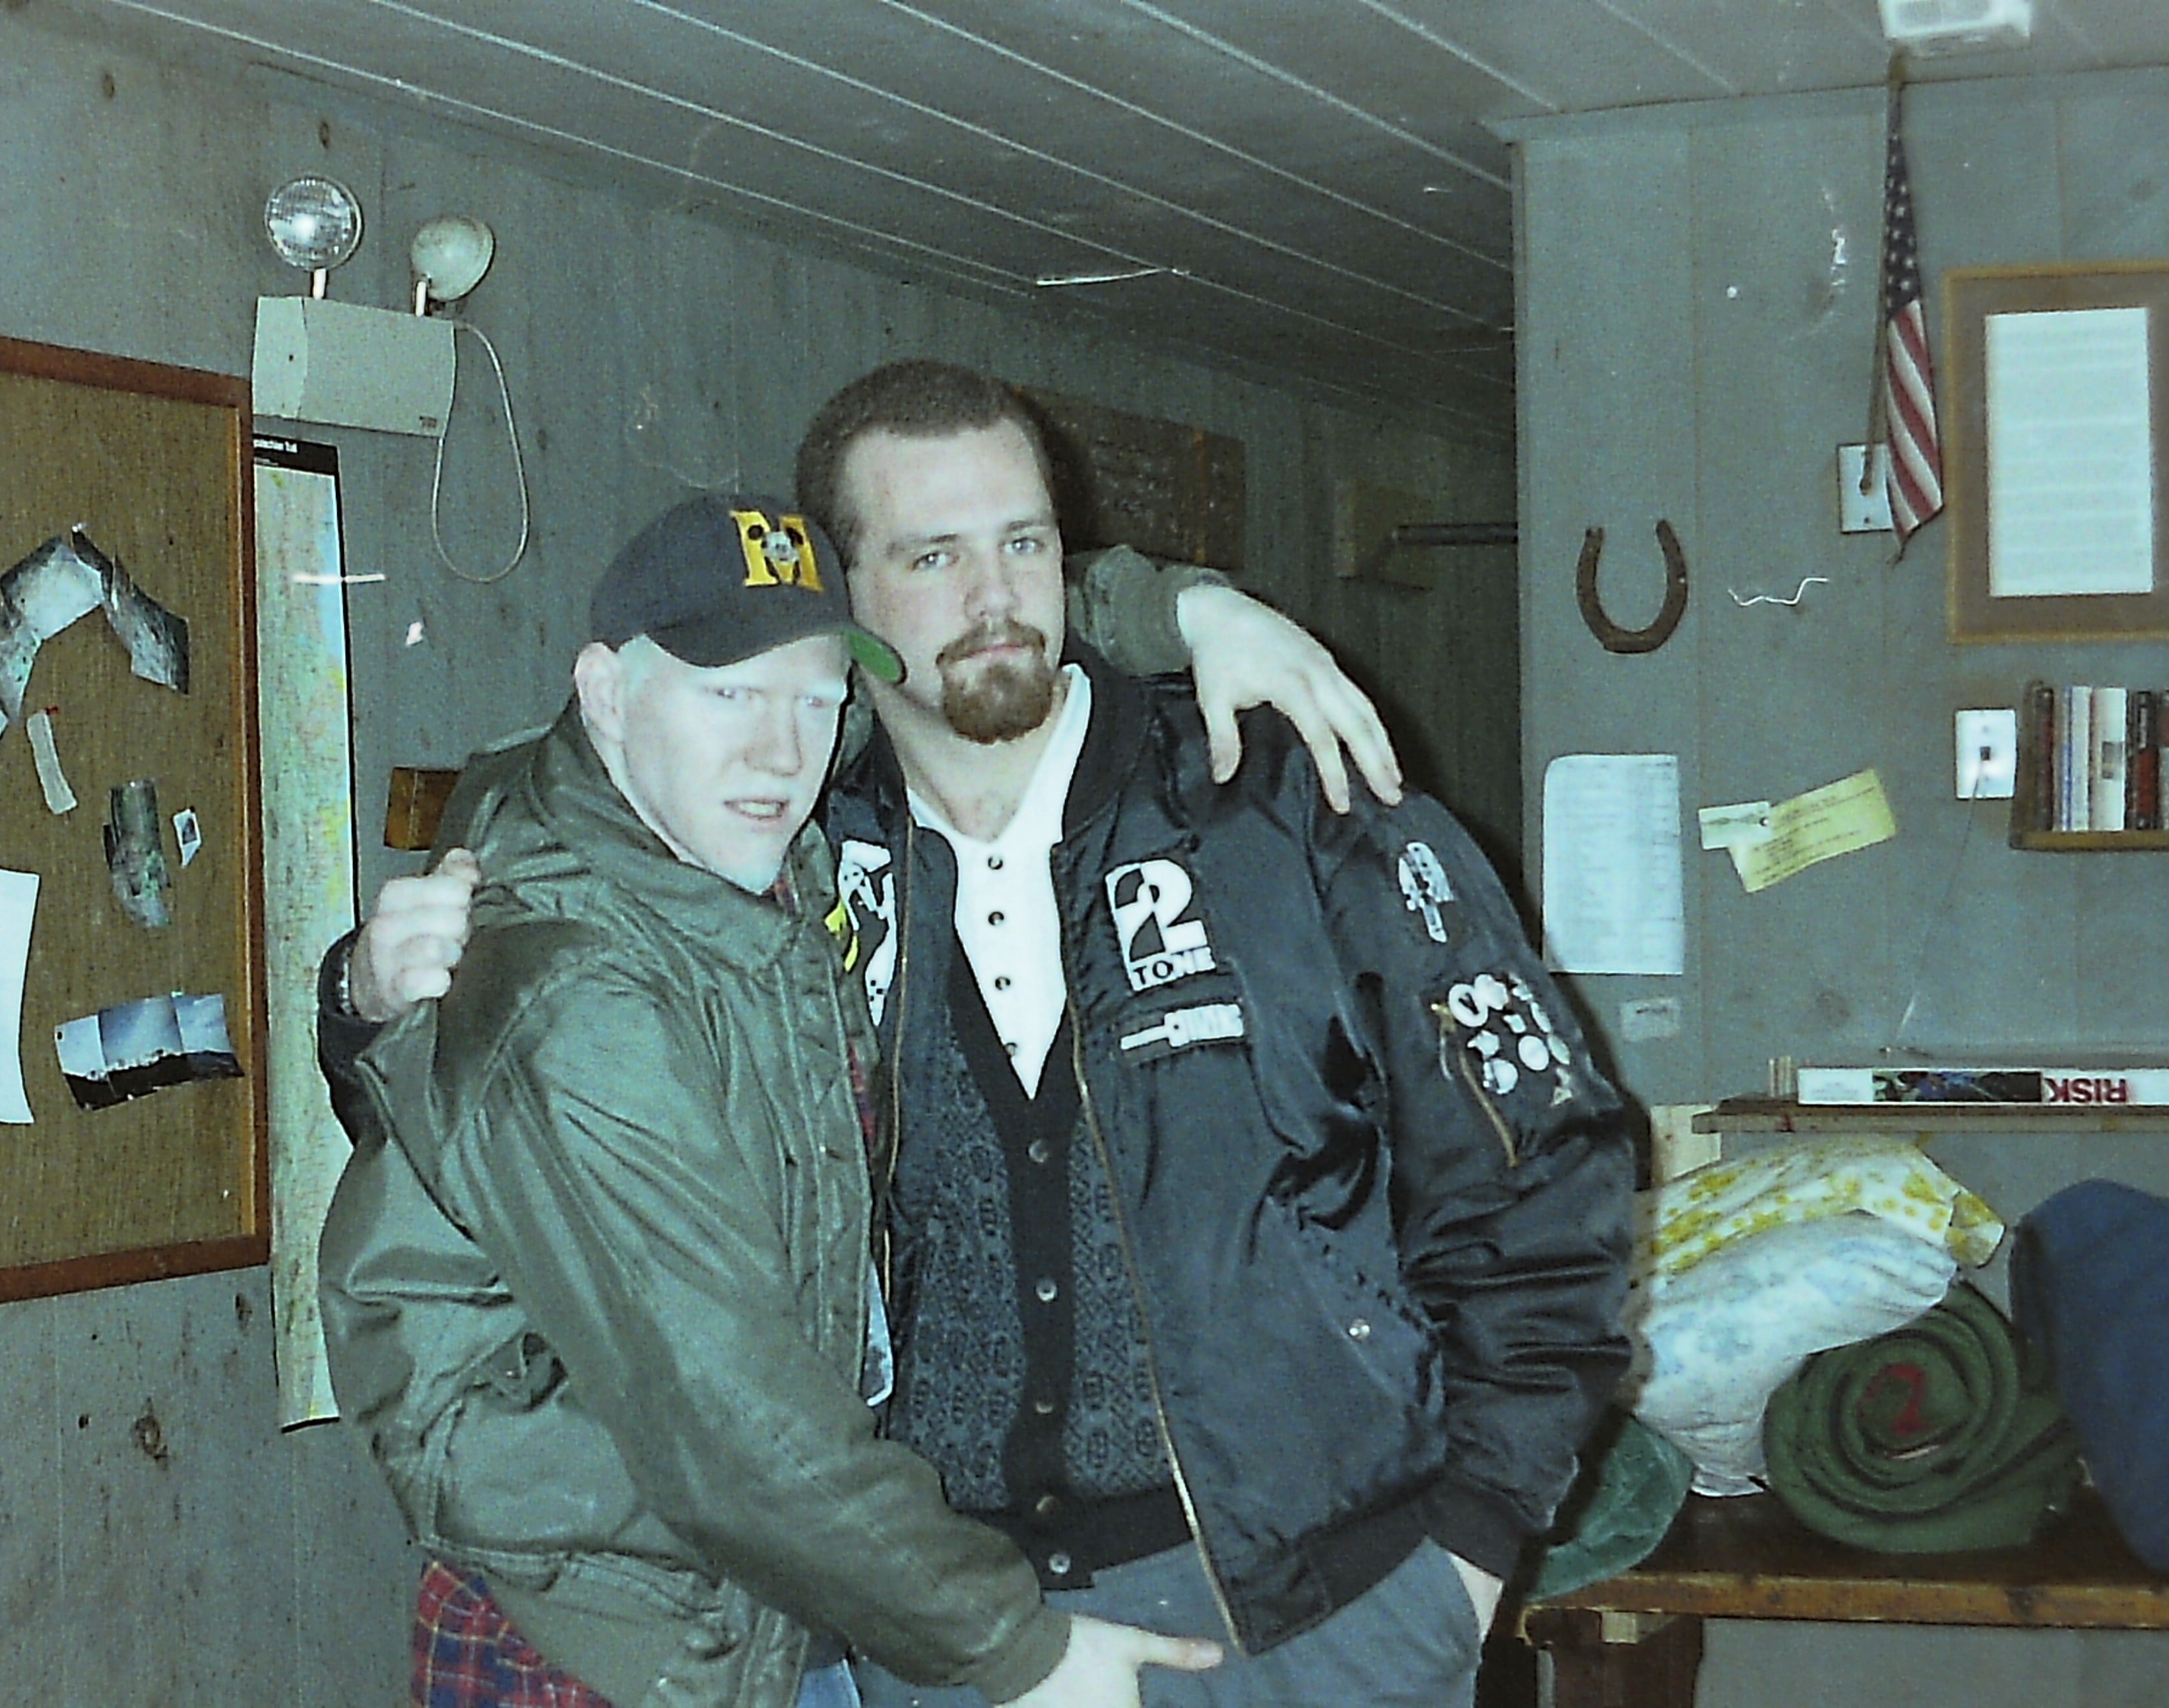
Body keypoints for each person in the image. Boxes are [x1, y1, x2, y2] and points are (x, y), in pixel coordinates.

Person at [348, 361, 1633, 1707]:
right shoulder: (786, 849)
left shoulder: (1282, 799)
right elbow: (549, 899)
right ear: (844, 599)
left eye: (1023, 544)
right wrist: (365, 993)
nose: (994, 599)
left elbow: (1549, 1165)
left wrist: (1474, 1544)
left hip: (1316, 1616)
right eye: (932, 557)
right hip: (945, 1637)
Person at [314, 493, 1225, 1708]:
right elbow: (730, 1421)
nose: (782, 753)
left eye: (816, 697)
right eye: (730, 694)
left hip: (764, 1576)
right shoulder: (577, 998)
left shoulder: (706, 825)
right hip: (611, 1622)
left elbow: (960, 619)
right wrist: (1021, 1651)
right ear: (605, 694)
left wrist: (1185, 612)